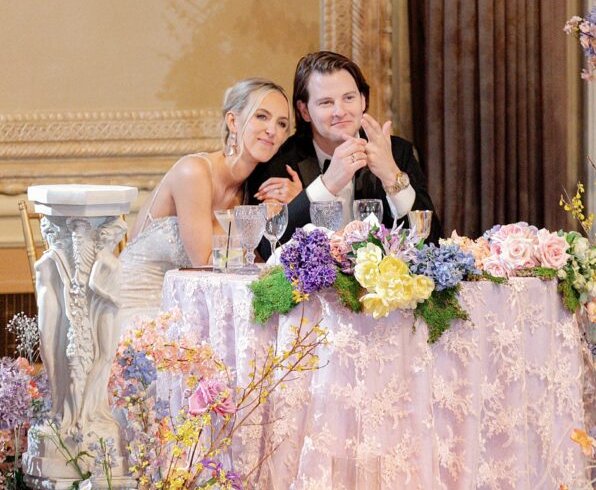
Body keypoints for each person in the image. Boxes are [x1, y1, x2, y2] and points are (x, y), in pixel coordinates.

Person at [118, 78, 292, 324]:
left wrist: (293, 202)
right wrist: (258, 222)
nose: (272, 130)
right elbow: (205, 263)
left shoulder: (250, 192)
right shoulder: (194, 172)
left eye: (281, 123)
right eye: (261, 116)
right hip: (135, 306)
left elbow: (257, 267)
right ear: (233, 121)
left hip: (188, 309)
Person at [249, 51, 441, 248]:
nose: (340, 112)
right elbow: (267, 248)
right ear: (304, 111)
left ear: (363, 100)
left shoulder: (397, 151)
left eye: (349, 98)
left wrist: (391, 175)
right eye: (326, 102)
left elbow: (432, 242)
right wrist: (325, 186)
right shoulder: (282, 160)